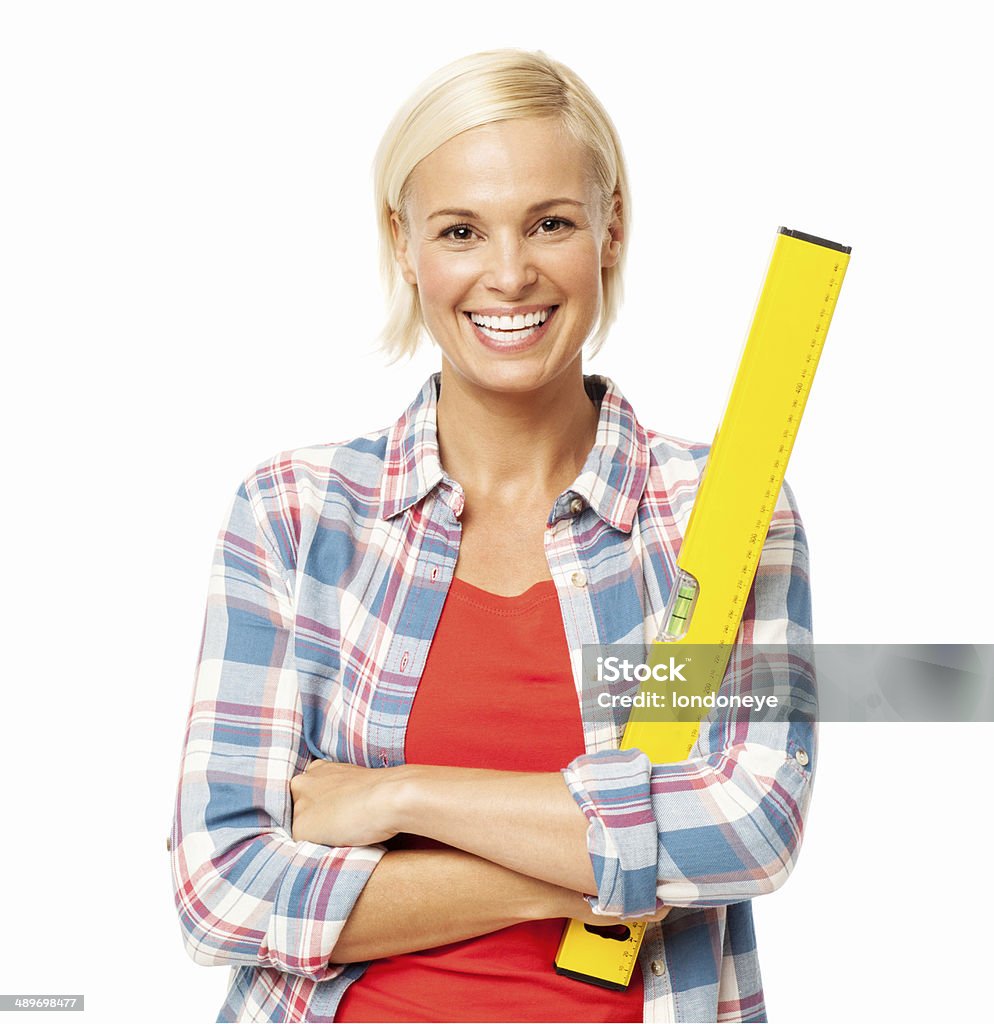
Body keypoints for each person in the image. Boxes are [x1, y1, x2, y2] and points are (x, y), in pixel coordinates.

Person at [168, 48, 816, 1024]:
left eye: (550, 223)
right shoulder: (295, 517)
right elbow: (221, 885)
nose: (507, 273)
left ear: (611, 227)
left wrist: (402, 800)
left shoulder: (715, 517)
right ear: (403, 244)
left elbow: (748, 829)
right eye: (460, 230)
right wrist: (592, 870)